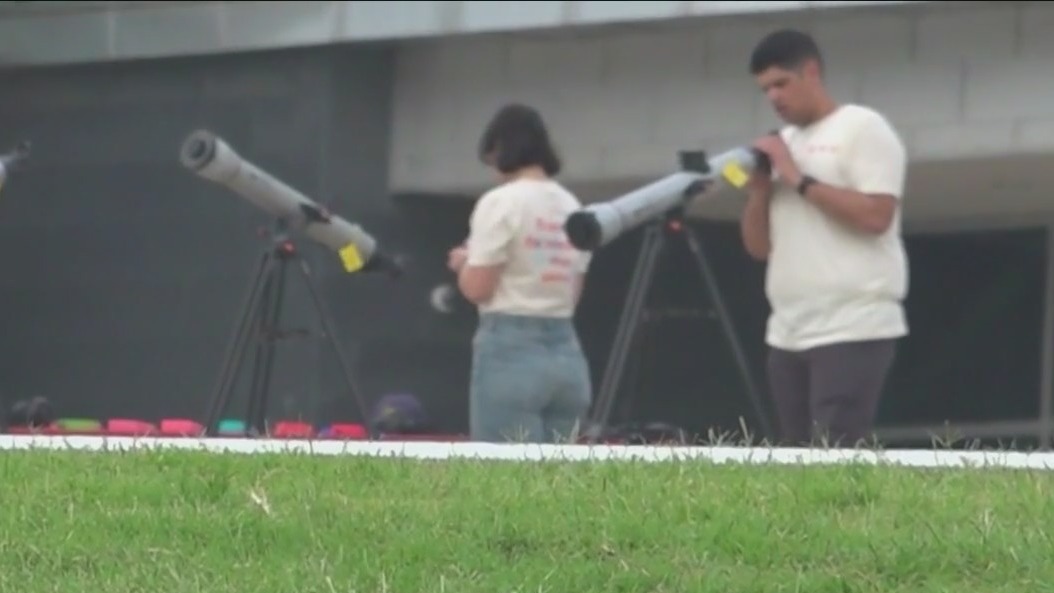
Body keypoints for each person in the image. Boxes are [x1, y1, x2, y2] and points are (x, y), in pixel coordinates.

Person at [741, 29, 909, 448]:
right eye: (765, 90)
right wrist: (759, 192)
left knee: (835, 449)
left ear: (811, 72)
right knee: (795, 455)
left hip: (853, 324)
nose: (774, 97)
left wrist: (796, 177)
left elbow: (877, 216)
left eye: (781, 83)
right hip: (788, 329)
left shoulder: (862, 127)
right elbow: (758, 248)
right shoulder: (784, 145)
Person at [447, 103, 593, 443]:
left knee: (507, 484)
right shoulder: (572, 206)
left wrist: (465, 263)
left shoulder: (502, 202)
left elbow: (478, 288)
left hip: (510, 349)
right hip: (567, 355)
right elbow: (572, 291)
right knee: (558, 485)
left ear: (499, 148)